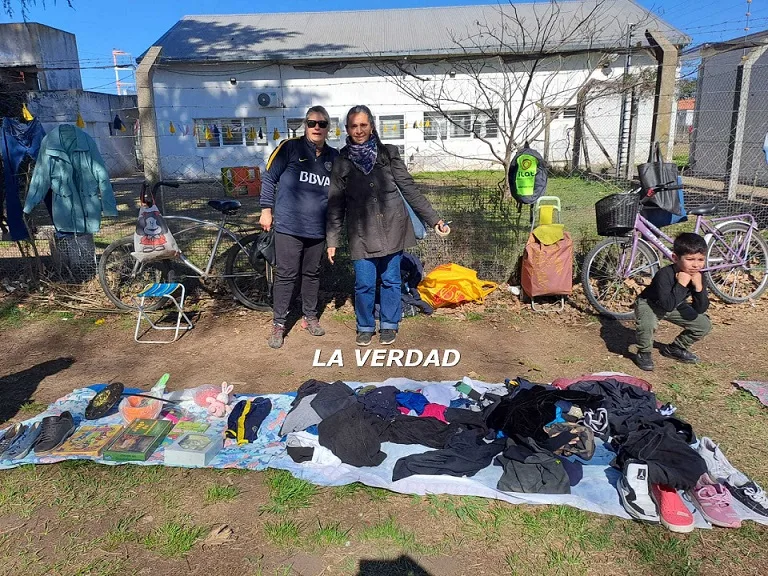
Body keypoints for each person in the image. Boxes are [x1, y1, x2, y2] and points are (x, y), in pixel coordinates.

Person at [326, 105, 449, 347]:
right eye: (354, 126)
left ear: (372, 126)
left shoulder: (388, 153)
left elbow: (409, 189)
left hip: (393, 227)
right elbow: (335, 204)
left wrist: (434, 219)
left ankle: (389, 324)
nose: (359, 130)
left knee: (391, 280)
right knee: (364, 283)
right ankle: (365, 325)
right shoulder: (342, 161)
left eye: (363, 125)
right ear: (347, 129)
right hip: (361, 233)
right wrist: (332, 240)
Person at [259, 106, 339, 349]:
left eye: (322, 124)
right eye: (312, 123)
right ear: (305, 125)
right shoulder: (289, 148)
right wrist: (266, 210)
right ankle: (279, 323)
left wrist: (332, 234)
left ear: (328, 128)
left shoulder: (334, 157)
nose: (317, 127)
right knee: (286, 275)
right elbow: (269, 178)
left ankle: (310, 316)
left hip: (316, 229)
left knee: (312, 274)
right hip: (288, 226)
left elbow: (337, 197)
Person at [633, 232, 711, 371]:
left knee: (703, 325)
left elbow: (700, 309)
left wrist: (699, 288)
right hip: (650, 304)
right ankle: (644, 352)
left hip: (675, 304)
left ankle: (675, 348)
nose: (696, 265)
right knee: (648, 324)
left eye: (700, 259)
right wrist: (681, 284)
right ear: (675, 258)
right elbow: (667, 305)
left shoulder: (698, 276)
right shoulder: (664, 274)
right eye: (690, 259)